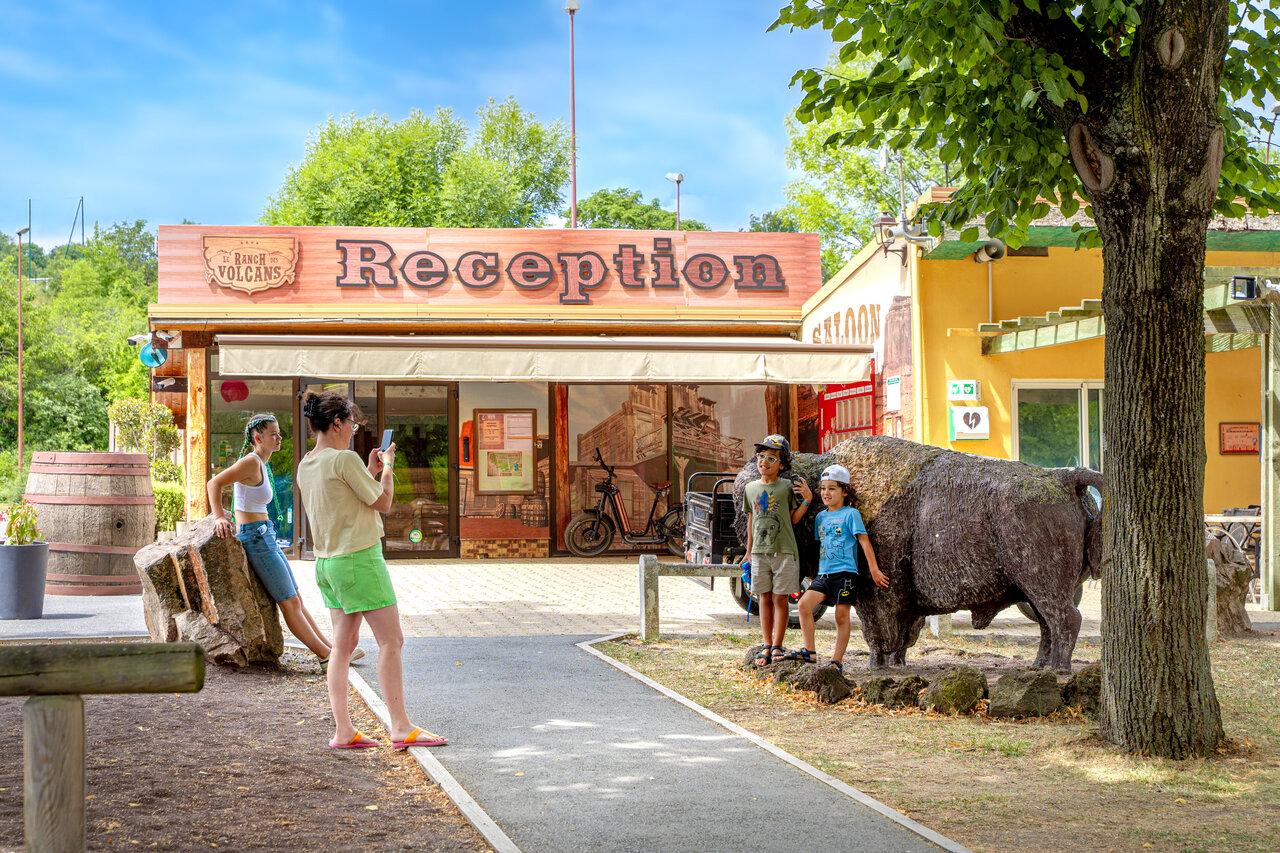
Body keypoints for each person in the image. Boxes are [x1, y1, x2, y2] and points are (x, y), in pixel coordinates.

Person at [295, 389, 446, 750]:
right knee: (391, 641)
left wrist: (369, 471)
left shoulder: (306, 464)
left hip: (328, 564)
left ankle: (343, 731)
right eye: (351, 423)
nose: (354, 429)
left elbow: (344, 499)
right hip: (360, 559)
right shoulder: (343, 459)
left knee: (341, 649)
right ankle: (400, 726)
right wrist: (388, 467)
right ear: (336, 423)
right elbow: (383, 502)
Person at [207, 413, 363, 669]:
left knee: (297, 598)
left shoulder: (261, 463)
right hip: (255, 537)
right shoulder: (250, 462)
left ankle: (333, 649)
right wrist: (218, 518)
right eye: (274, 434)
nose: (280, 437)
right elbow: (214, 483)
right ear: (258, 438)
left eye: (279, 433)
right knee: (289, 602)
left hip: (265, 534)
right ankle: (327, 657)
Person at [782, 464, 889, 671]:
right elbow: (821, 546)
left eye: (832, 488)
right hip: (824, 575)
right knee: (804, 605)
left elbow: (864, 542)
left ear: (844, 491)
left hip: (845, 574)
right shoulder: (821, 517)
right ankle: (809, 651)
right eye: (823, 488)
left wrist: (874, 570)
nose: (826, 493)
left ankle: (836, 661)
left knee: (841, 616)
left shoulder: (851, 514)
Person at [740, 434, 812, 667]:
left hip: (784, 551)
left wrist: (807, 500)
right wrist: (748, 552)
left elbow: (792, 520)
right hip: (760, 552)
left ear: (782, 464)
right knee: (764, 598)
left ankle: (778, 644)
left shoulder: (786, 487)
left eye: (772, 458)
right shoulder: (750, 488)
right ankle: (766, 644)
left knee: (780, 599)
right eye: (761, 456)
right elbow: (751, 521)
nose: (765, 462)